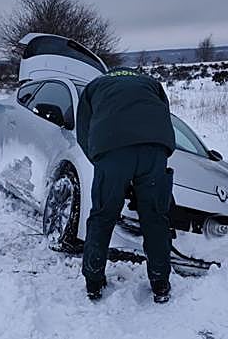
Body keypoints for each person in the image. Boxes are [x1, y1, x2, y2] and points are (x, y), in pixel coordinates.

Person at [76, 67, 176, 303]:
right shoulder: (150, 83)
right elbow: (164, 115)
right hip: (154, 148)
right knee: (155, 217)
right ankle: (160, 283)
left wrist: (100, 163)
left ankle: (93, 282)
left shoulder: (94, 87)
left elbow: (83, 131)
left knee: (102, 215)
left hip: (111, 150)